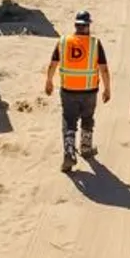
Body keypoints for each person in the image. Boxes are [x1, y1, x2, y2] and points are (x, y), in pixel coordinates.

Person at [45, 10, 111, 173]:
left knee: (69, 121)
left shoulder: (63, 41)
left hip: (68, 90)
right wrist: (107, 88)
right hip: (89, 91)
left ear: (75, 25)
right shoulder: (95, 43)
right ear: (88, 25)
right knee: (87, 119)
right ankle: (86, 148)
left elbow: (53, 64)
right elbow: (104, 69)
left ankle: (69, 152)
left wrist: (49, 81)